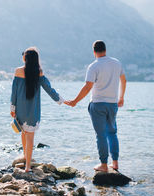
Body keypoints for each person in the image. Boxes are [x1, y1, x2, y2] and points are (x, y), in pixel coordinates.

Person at [65, 40, 126, 172]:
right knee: (112, 132)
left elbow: (88, 87)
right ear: (105, 50)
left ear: (94, 52)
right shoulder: (116, 63)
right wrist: (121, 98)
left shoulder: (94, 66)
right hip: (112, 104)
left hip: (98, 104)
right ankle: (115, 163)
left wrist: (75, 101)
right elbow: (123, 80)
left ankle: (103, 165)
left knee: (101, 135)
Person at [10, 47, 64, 172]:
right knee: (30, 138)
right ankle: (27, 165)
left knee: (23, 133)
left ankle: (25, 159)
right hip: (33, 111)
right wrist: (61, 100)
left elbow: (14, 92)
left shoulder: (18, 71)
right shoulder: (39, 72)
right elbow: (49, 89)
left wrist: (12, 108)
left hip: (20, 109)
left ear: (26, 58)